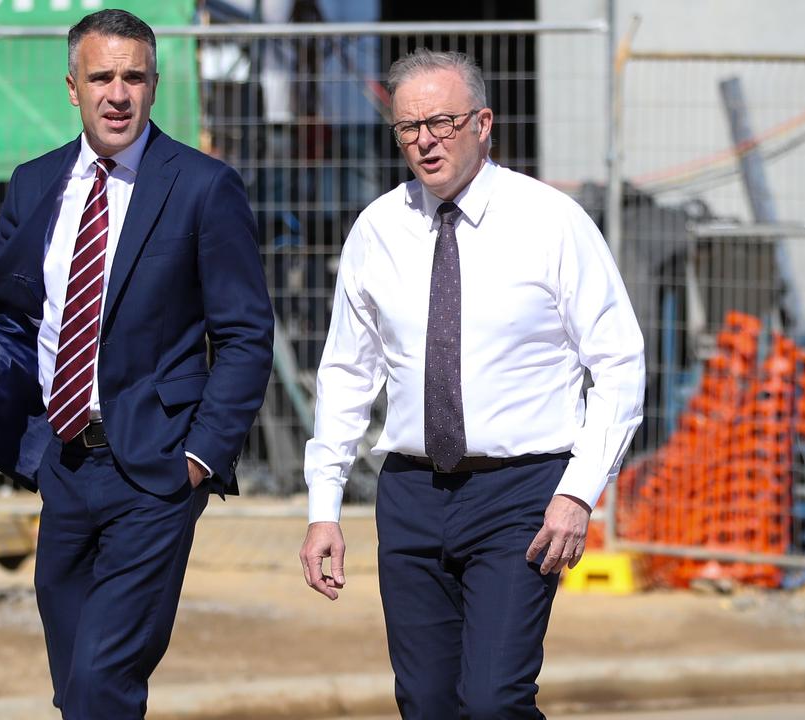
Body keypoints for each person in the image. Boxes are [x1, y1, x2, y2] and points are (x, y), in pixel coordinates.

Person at [0, 10, 273, 718]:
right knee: (76, 689)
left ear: (154, 86)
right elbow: (4, 316)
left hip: (156, 470)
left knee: (100, 685)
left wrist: (201, 457)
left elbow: (245, 335)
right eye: (102, 77)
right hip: (63, 467)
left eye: (134, 77)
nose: (119, 93)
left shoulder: (203, 187)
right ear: (72, 88)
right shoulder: (34, 184)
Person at [298, 49, 644, 719]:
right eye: (407, 126)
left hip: (521, 494)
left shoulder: (550, 222)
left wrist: (578, 492)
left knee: (492, 701)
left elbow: (619, 361)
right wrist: (324, 508)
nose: (424, 139)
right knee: (426, 703)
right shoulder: (378, 230)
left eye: (442, 121)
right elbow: (345, 374)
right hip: (410, 491)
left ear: (483, 123)